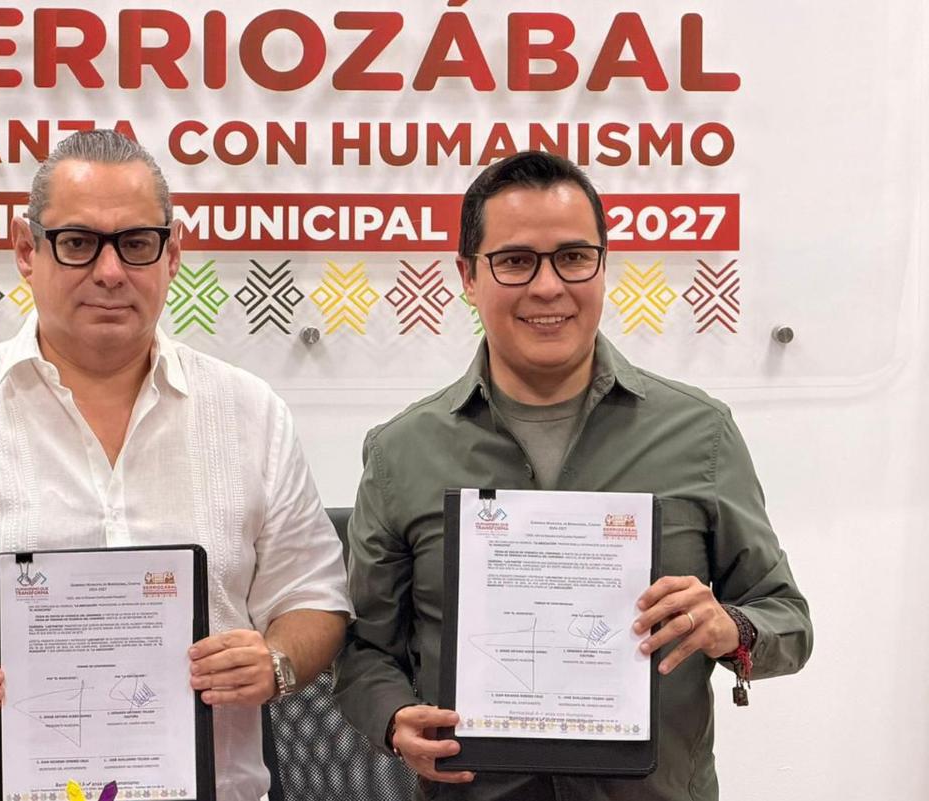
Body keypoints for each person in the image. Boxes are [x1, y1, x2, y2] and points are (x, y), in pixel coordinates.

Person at [0, 129, 351, 801]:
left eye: (137, 243)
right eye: (78, 242)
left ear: (173, 254)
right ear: (26, 251)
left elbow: (314, 597)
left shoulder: (250, 414)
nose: (111, 272)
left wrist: (276, 661)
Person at [334, 151, 812, 800]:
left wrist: (732, 628)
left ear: (603, 266)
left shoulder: (700, 433)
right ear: (468, 276)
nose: (548, 287)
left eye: (573, 257)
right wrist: (393, 719)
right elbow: (364, 649)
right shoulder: (401, 452)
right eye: (515, 261)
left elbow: (787, 618)